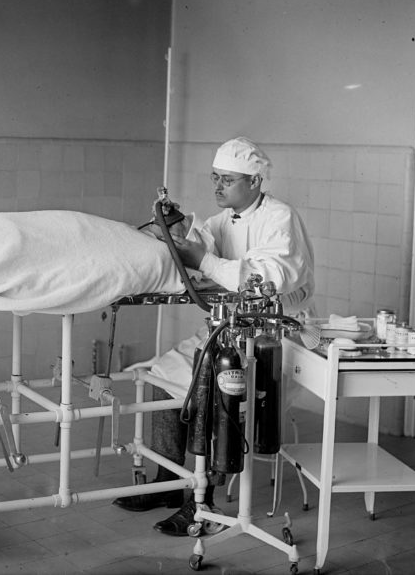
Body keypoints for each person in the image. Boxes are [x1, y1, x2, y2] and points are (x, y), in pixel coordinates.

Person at [114, 136, 315, 536]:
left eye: (227, 179)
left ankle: (201, 502)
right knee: (162, 373)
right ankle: (166, 482)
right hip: (229, 330)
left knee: (221, 395)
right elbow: (195, 249)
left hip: (275, 337)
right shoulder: (221, 222)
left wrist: (201, 258)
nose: (217, 186)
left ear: (255, 182)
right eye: (215, 178)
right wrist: (174, 228)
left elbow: (263, 280)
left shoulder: (280, 218)